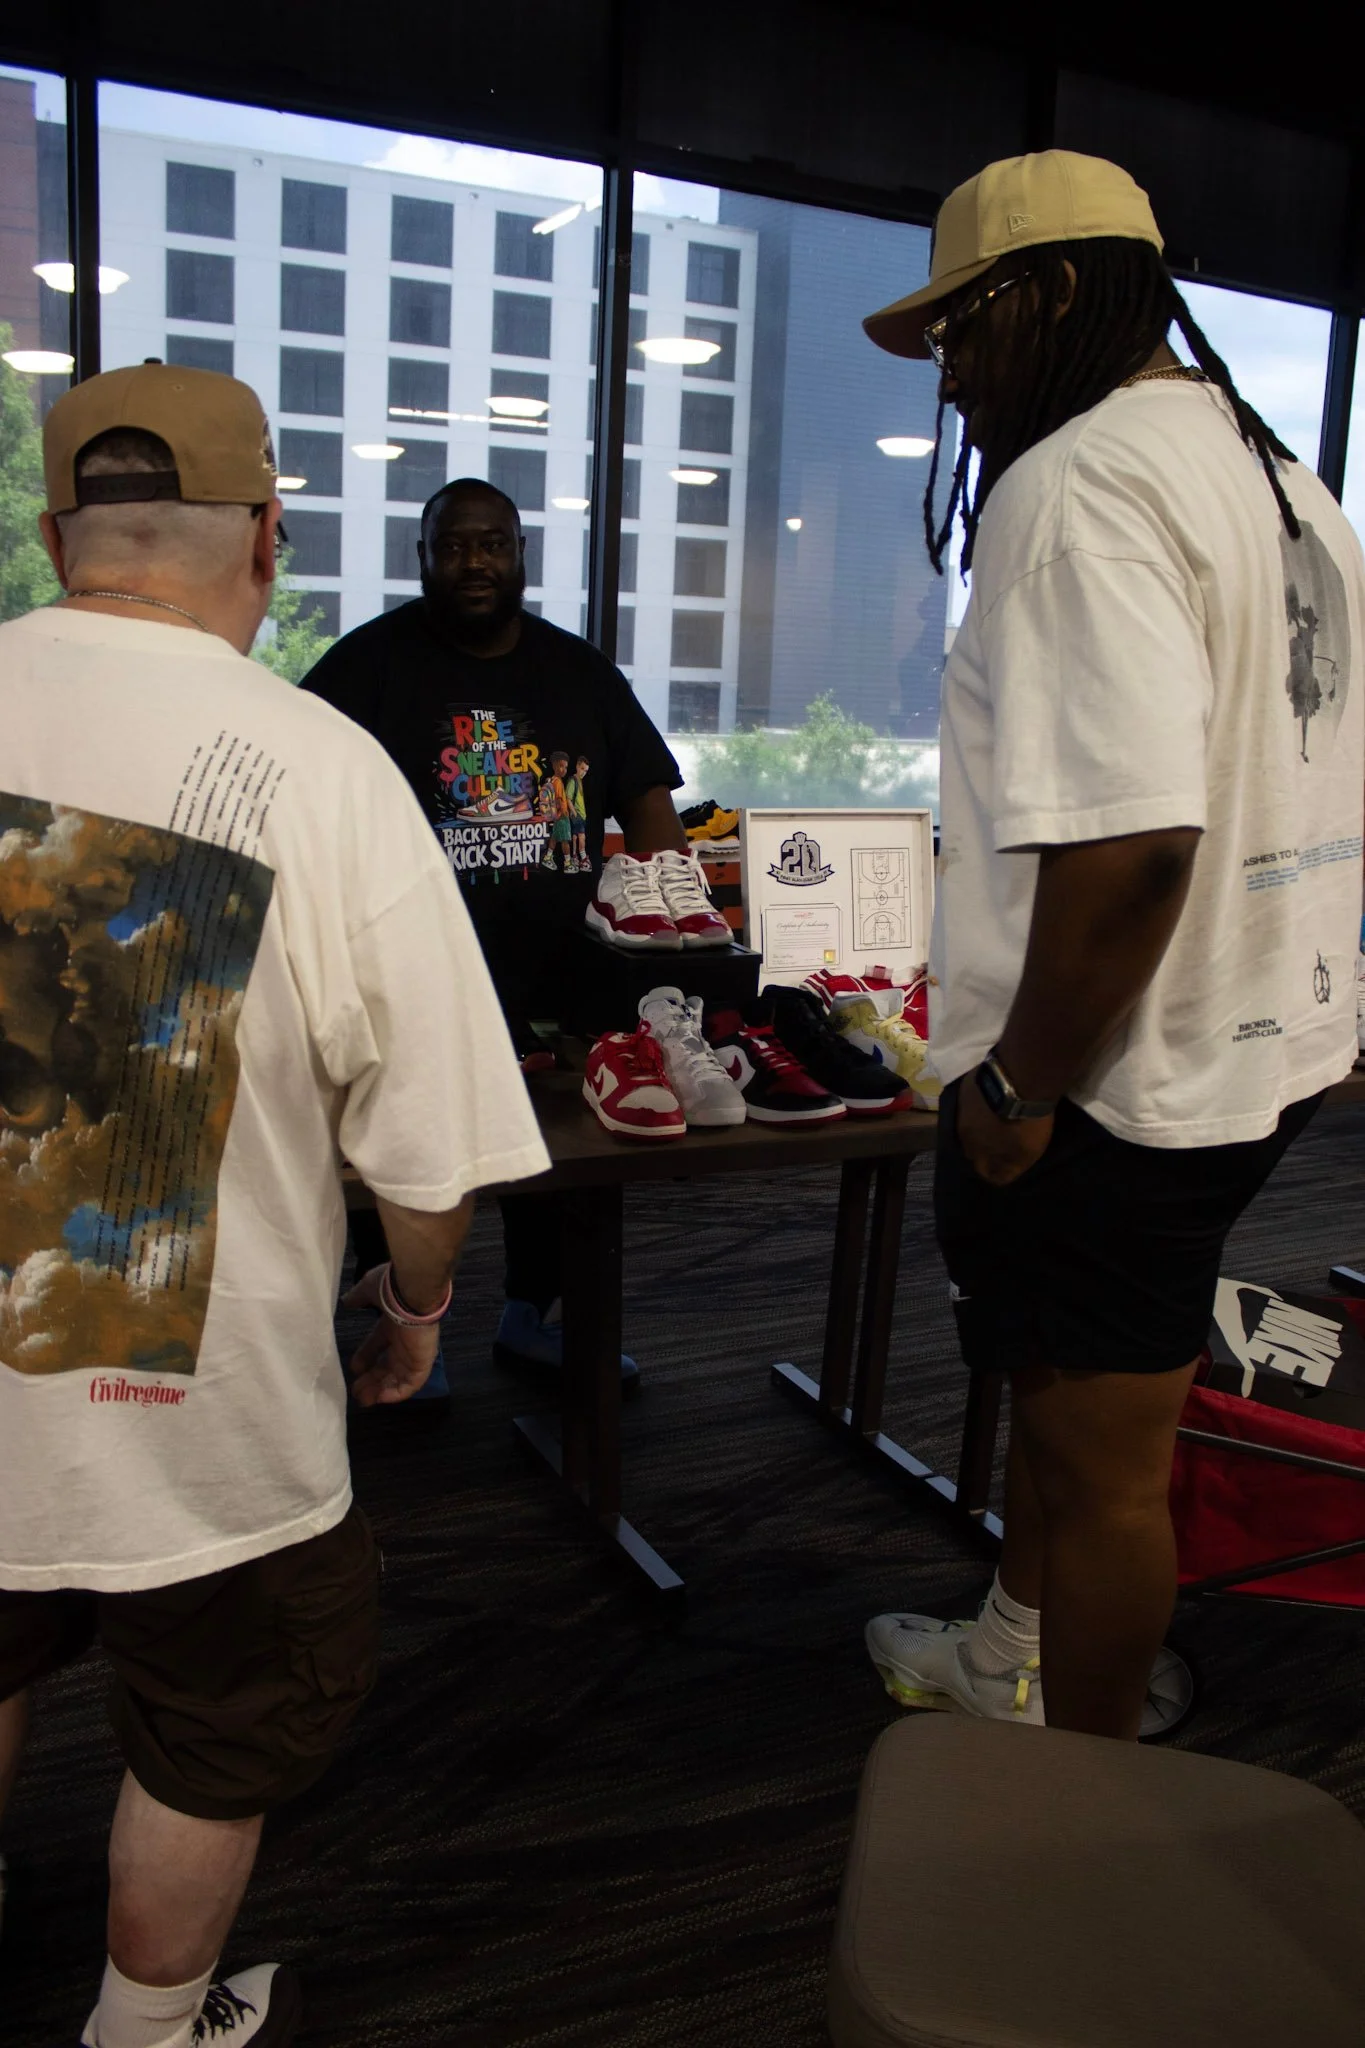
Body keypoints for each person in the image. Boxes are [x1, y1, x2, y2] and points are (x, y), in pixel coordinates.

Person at [0, 365, 547, 2046]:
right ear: (265, 540)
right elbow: (427, 1159)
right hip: (197, 1408)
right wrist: (415, 1308)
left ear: (55, 538)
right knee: (223, 1714)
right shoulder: (321, 767)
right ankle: (146, 2029)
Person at [859, 149, 1365, 1740]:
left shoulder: (1074, 485)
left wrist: (1019, 1088)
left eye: (964, 326)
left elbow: (1137, 846)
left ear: (1061, 292)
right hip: (1260, 1045)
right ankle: (1013, 1646)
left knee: (1107, 1476)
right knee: (1072, 1408)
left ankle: (1079, 1800)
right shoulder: (1275, 473)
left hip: (1112, 1086)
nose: (950, 369)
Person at [302, 479, 689, 1391]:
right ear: (422, 558)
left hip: (553, 972)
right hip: (406, 975)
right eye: (452, 545)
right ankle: (401, 1327)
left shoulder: (578, 671)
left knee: (557, 1157)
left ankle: (533, 1317)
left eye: (492, 544)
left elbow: (648, 804)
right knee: (396, 1156)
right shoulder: (365, 667)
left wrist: (671, 909)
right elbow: (296, 795)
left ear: (520, 555)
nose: (473, 562)